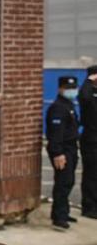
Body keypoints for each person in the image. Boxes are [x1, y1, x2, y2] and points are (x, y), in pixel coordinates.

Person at [46, 75, 80, 231]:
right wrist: (58, 153)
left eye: (73, 88)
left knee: (69, 181)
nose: (71, 91)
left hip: (71, 148)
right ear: (60, 88)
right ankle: (58, 217)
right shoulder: (58, 107)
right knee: (63, 183)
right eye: (68, 88)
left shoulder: (69, 105)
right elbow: (55, 133)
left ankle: (63, 212)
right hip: (62, 150)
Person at [79, 65, 97, 220]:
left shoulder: (94, 92)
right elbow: (84, 96)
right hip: (90, 140)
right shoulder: (87, 91)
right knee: (91, 174)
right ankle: (89, 207)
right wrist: (89, 80)